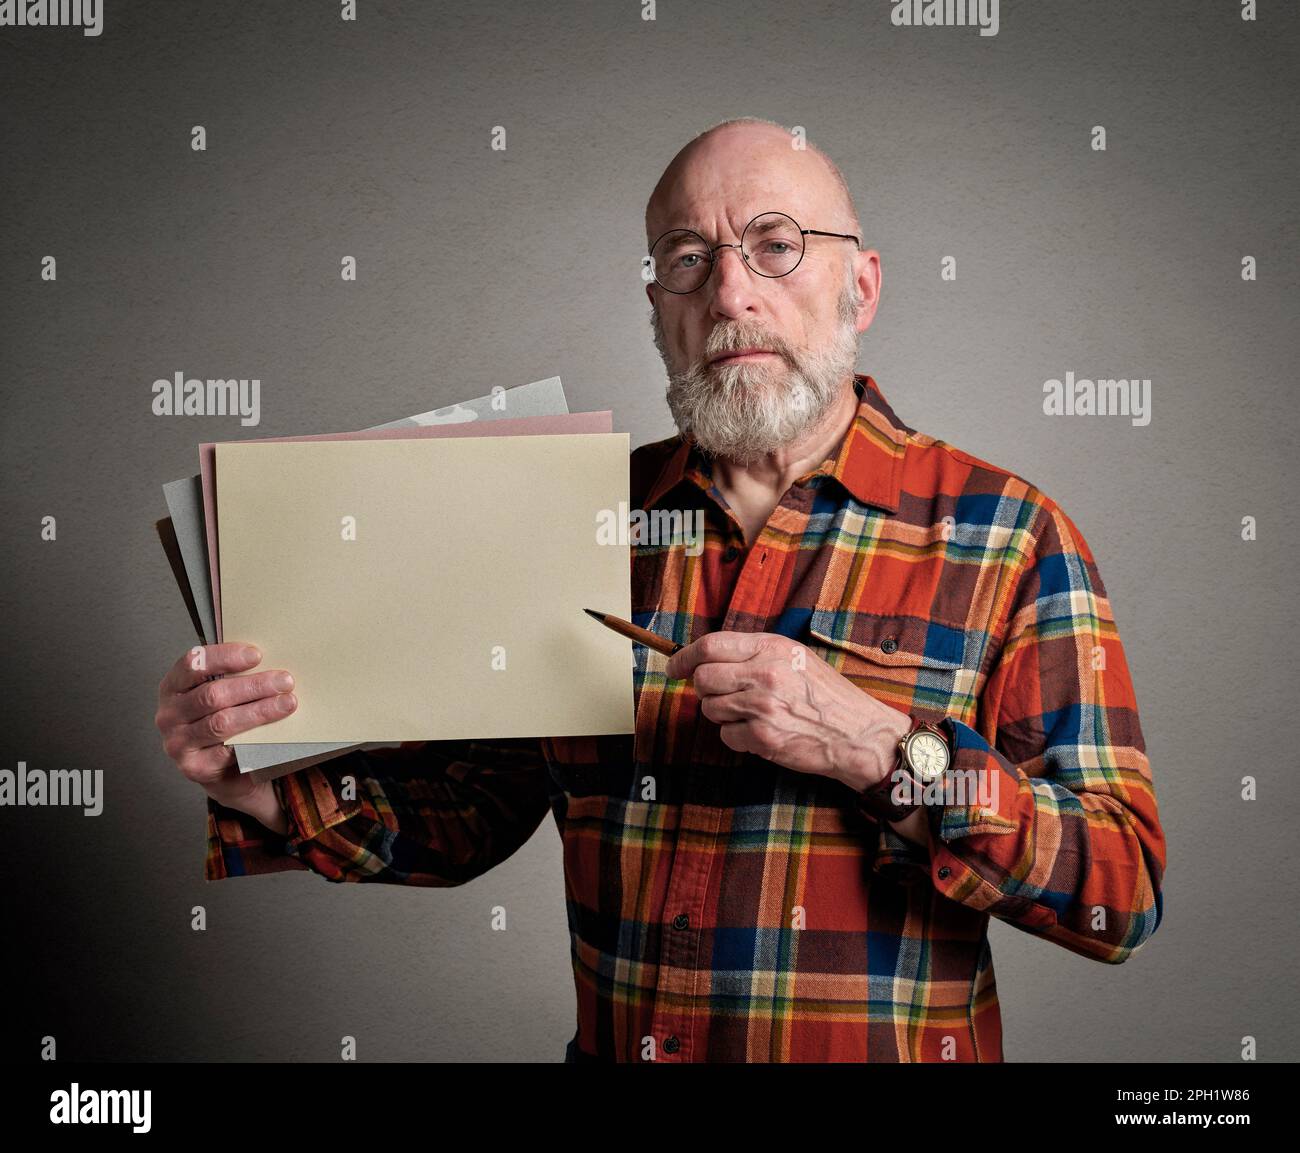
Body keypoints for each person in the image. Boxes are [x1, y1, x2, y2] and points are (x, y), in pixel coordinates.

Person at [154, 117, 1166, 1062]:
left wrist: (874, 749)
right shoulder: (568, 521)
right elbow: (468, 812)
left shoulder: (1007, 536)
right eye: (688, 260)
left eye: (775, 245)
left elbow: (1115, 892)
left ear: (860, 288)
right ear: (658, 310)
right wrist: (259, 784)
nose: (730, 295)